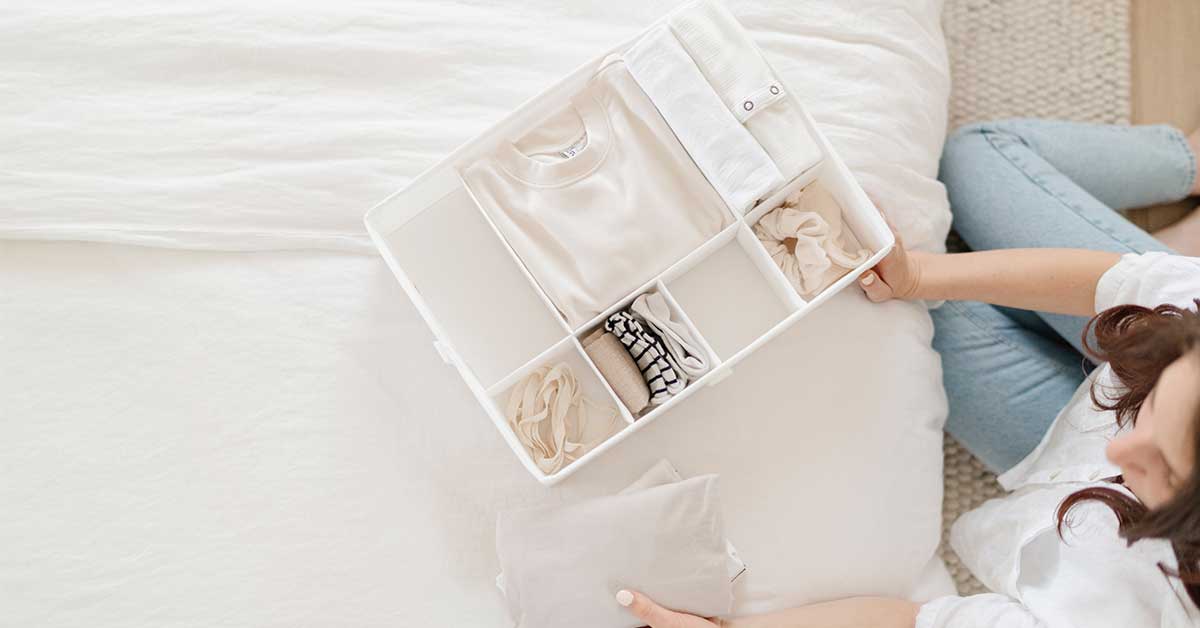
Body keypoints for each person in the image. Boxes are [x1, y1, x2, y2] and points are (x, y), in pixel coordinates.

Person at [614, 119, 1200, 627]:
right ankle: (1187, 177)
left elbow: (919, 622)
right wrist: (918, 275)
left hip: (1054, 445)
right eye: (1154, 408)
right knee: (977, 157)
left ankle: (1160, 263)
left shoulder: (1120, 609)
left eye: (1164, 467)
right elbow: (1112, 286)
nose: (1123, 450)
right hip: (1128, 358)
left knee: (907, 325)